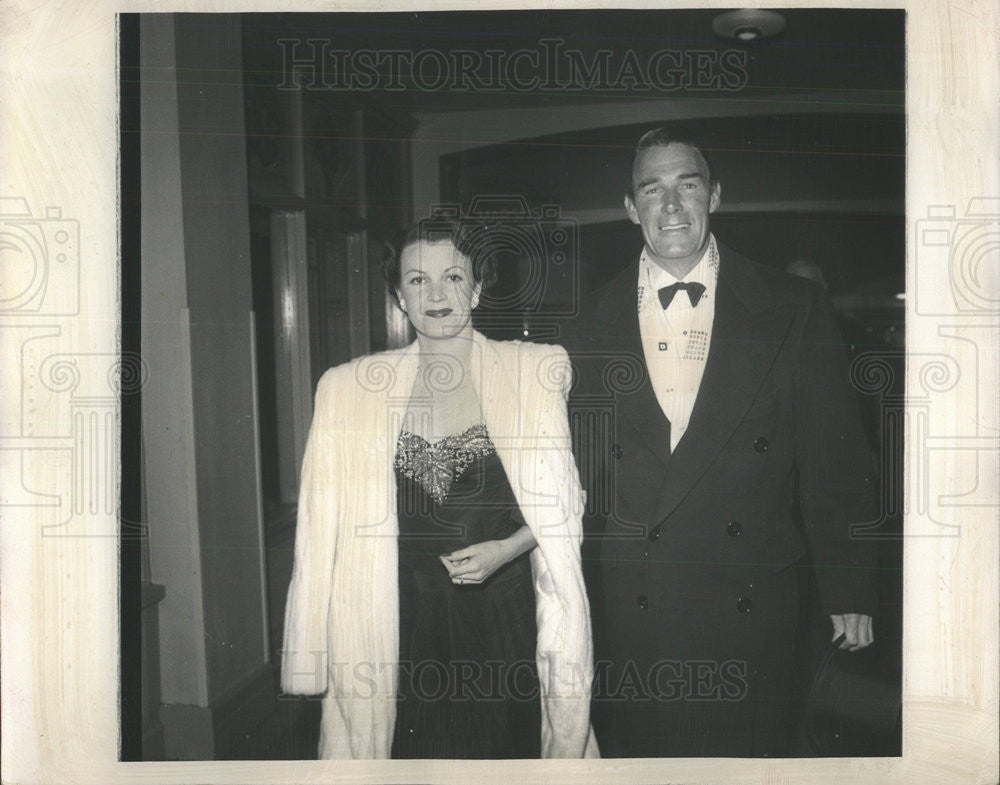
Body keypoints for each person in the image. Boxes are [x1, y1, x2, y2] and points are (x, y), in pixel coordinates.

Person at [560, 126, 878, 757]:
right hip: (633, 603)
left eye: (688, 184)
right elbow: (568, 470)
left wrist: (851, 589)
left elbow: (835, 461)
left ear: (717, 196)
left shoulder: (795, 305)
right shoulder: (581, 323)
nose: (671, 205)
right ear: (630, 209)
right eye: (652, 189)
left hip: (752, 597)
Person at [281, 216, 599, 760]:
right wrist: (308, 654)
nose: (435, 294)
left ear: (477, 287)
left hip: (503, 619)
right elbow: (316, 534)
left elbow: (566, 504)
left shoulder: (533, 371)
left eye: (453, 277)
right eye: (417, 280)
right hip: (395, 621)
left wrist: (508, 549)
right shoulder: (347, 390)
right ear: (398, 298)